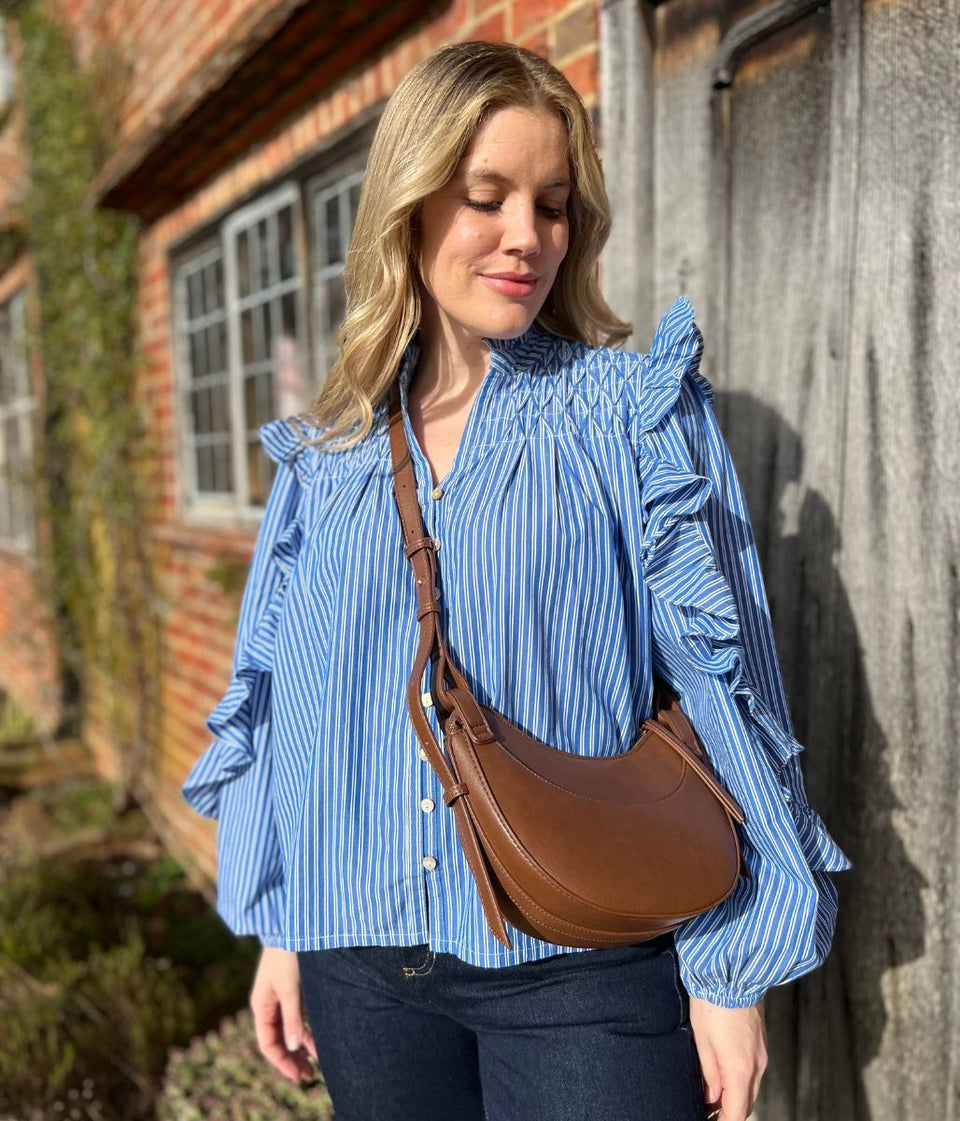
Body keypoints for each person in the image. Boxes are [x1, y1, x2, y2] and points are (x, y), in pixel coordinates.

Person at [181, 39, 849, 1121]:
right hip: (364, 971)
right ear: (409, 204)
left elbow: (729, 694)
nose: (526, 236)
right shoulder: (327, 454)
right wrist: (282, 927)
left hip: (581, 971)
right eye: (485, 198)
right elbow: (285, 703)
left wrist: (732, 969)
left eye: (553, 205)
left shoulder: (625, 416)